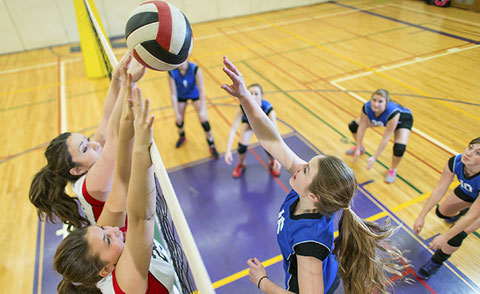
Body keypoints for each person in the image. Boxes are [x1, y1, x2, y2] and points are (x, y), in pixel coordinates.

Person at [221, 56, 408, 294]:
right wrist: (245, 96)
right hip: (316, 275)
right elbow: (272, 140)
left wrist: (262, 282)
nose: (298, 165)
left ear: (315, 195)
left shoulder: (309, 243)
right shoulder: (307, 189)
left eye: (306, 168)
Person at [54, 84, 176, 293]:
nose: (112, 229)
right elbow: (142, 218)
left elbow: (121, 180)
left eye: (101, 228)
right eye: (107, 239)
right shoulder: (125, 284)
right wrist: (140, 150)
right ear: (106, 269)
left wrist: (128, 122)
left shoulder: (108, 248)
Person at [28, 52, 146, 230]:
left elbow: (107, 120)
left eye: (86, 139)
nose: (94, 144)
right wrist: (129, 85)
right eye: (84, 148)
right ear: (77, 170)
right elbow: (114, 135)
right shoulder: (93, 183)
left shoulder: (90, 163)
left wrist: (116, 78)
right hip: (121, 247)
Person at [413, 137, 480, 280]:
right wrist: (421, 216)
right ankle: (461, 211)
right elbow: (439, 190)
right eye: (470, 147)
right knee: (442, 212)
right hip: (471, 192)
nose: (468, 153)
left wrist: (445, 237)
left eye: (478, 153)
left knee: (456, 234)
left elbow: (472, 216)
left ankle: (436, 262)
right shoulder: (456, 161)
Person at [346, 89, 413, 183]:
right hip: (381, 117)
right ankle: (361, 148)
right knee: (353, 126)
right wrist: (357, 147)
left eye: (380, 101)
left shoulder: (393, 112)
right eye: (374, 100)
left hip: (401, 121)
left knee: (399, 148)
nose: (376, 104)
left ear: (386, 102)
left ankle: (393, 170)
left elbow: (385, 138)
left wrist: (374, 157)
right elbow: (361, 127)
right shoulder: (367, 107)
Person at [224, 83, 281, 178]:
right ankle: (241, 164)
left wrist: (278, 158)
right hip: (249, 124)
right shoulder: (242, 106)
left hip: (263, 126)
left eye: (256, 94)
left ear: (261, 96)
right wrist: (228, 150)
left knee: (269, 146)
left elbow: (275, 133)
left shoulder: (268, 108)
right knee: (241, 147)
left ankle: (272, 162)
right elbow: (233, 128)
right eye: (250, 94)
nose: (253, 96)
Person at [168, 59, 219, 158]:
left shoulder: (195, 69)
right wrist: (176, 113)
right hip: (181, 95)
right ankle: (182, 137)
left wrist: (203, 109)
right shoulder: (171, 71)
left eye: (182, 62)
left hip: (194, 94)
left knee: (203, 119)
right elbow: (173, 93)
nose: (180, 65)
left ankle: (211, 144)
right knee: (179, 121)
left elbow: (201, 89)